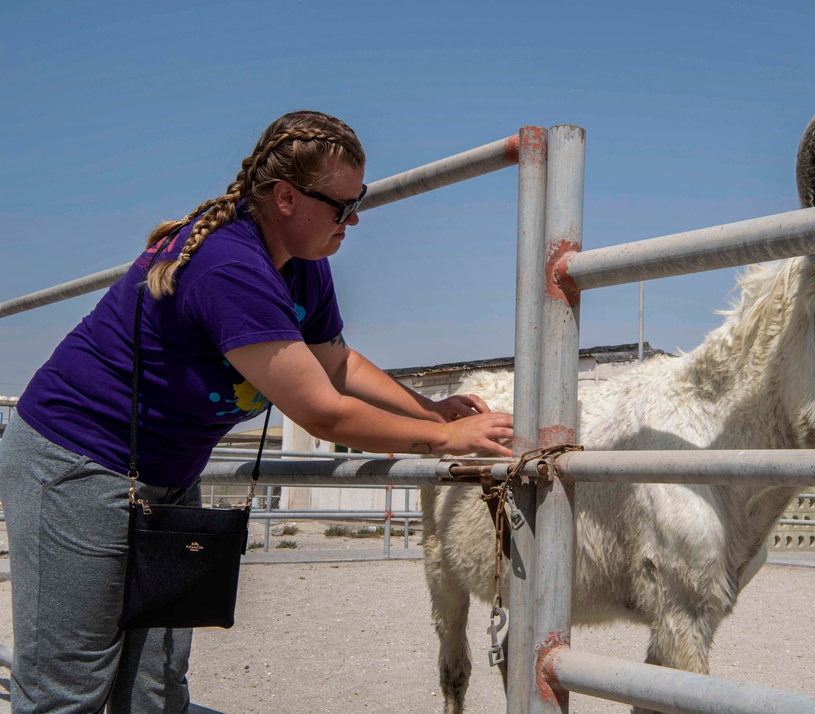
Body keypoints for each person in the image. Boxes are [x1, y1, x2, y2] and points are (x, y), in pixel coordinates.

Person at [0, 110, 514, 713]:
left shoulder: (305, 264)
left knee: (157, 688)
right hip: (76, 460)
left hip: (165, 472)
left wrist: (432, 413)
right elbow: (323, 413)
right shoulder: (230, 265)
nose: (354, 219)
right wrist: (446, 442)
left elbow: (337, 362)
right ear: (286, 197)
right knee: (69, 689)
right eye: (342, 206)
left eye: (361, 201)